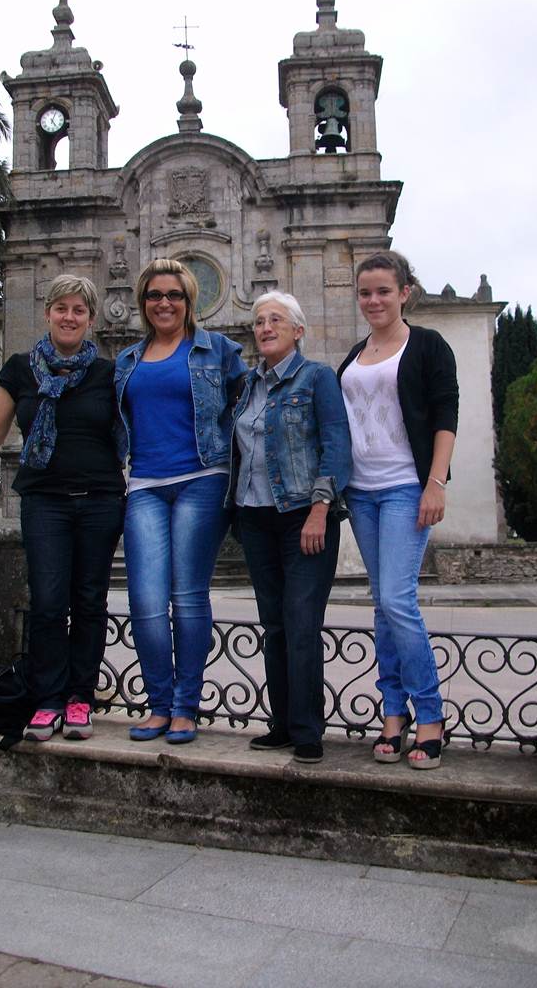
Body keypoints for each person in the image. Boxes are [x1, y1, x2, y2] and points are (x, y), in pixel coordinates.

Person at [0, 275, 125, 742]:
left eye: (79, 310)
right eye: (61, 308)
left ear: (91, 319)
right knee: (47, 602)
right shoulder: (20, 369)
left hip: (100, 501)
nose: (69, 317)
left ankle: (80, 698)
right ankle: (48, 699)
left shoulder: (110, 373)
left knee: (89, 601)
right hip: (44, 503)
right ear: (47, 313)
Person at [115, 258, 246, 744]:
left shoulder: (218, 350)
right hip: (145, 484)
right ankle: (158, 705)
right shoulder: (127, 360)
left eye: (174, 294)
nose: (164, 303)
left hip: (203, 478)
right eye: (155, 295)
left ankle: (185, 708)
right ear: (143, 303)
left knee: (187, 594)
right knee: (146, 599)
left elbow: (252, 406)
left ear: (190, 300)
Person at [338, 250, 458, 769]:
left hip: (407, 486)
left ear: (405, 292)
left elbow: (446, 415)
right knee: (382, 603)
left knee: (397, 598)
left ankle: (429, 715)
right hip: (361, 492)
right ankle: (393, 712)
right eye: (365, 292)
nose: (374, 300)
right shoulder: (354, 354)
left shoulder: (427, 345)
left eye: (384, 291)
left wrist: (436, 483)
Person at [228, 292, 351, 764]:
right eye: (259, 321)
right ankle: (281, 724)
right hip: (255, 517)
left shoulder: (317, 378)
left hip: (304, 516)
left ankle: (307, 730)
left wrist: (321, 507)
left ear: (298, 331)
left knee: (301, 623)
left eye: (275, 320)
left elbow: (337, 445)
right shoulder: (245, 386)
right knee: (275, 625)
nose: (265, 327)